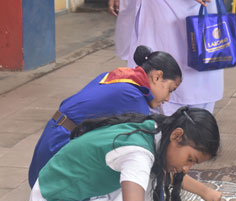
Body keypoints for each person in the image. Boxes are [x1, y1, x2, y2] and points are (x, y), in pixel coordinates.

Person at [24, 107, 222, 201]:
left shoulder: (156, 131)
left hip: (84, 199)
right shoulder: (138, 154)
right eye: (190, 160)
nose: (186, 169)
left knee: (149, 199)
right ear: (177, 136)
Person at [28, 45, 182, 188]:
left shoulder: (117, 76)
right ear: (157, 76)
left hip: (50, 140)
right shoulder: (133, 97)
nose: (167, 98)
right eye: (170, 89)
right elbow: (150, 151)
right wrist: (204, 191)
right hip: (58, 151)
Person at [109, 0, 227, 115]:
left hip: (204, 1)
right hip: (164, 4)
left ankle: (198, 121)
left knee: (203, 65)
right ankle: (166, 118)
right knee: (167, 62)